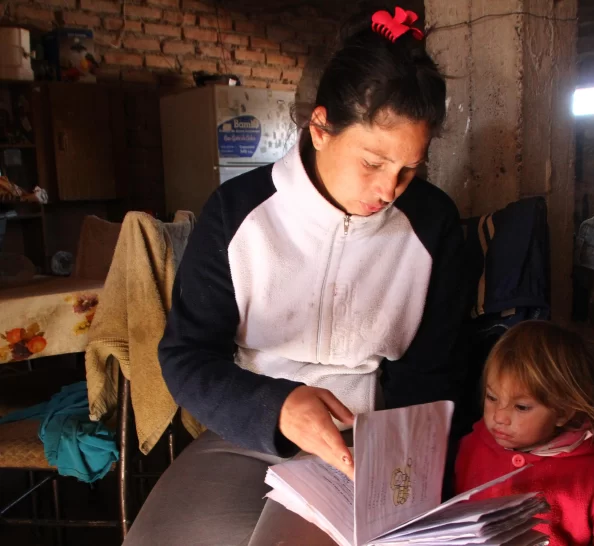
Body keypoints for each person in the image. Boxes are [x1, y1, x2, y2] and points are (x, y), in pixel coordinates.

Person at [123, 7, 467, 546]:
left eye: (409, 170)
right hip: (247, 430)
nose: (389, 189)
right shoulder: (238, 212)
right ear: (320, 127)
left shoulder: (432, 225)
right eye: (373, 162)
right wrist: (276, 406)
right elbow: (186, 355)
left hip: (368, 446)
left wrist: (400, 475)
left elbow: (432, 372)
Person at [454, 320, 594, 546]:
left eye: (521, 407)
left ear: (563, 412)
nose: (498, 417)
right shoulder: (471, 445)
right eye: (492, 398)